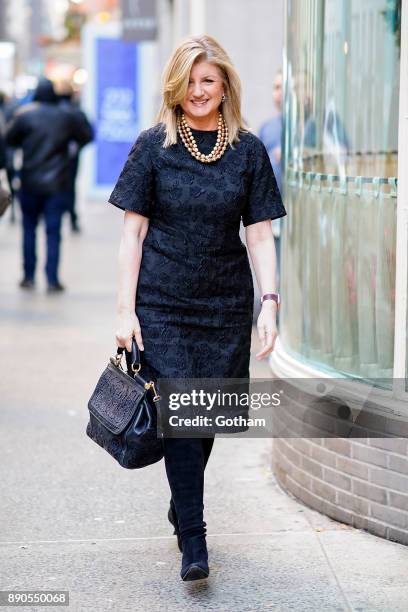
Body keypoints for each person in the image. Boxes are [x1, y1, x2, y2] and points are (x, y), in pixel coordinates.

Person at [109, 35, 286, 582]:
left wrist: (270, 304)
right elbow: (132, 236)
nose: (198, 90)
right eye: (188, 81)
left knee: (204, 419)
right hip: (162, 302)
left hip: (224, 303)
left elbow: (259, 237)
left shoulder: (248, 151)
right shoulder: (153, 146)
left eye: (208, 80)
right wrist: (124, 311)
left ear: (225, 84)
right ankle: (194, 538)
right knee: (184, 417)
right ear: (174, 85)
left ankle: (181, 502)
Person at [5, 78, 93, 292]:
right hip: (57, 183)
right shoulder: (67, 117)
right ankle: (52, 279)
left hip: (30, 181)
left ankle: (28, 276)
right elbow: (87, 135)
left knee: (29, 229)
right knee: (53, 232)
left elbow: (9, 138)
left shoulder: (25, 115)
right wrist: (72, 149)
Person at [55, 80, 94, 233]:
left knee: (57, 187)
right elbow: (88, 134)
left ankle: (60, 215)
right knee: (70, 186)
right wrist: (77, 145)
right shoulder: (76, 112)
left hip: (55, 157)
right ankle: (72, 216)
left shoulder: (55, 112)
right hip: (71, 157)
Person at [259, 70, 283, 282]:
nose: (279, 93)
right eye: (276, 87)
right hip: (275, 213)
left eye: (283, 87)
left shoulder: (316, 126)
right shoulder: (267, 129)